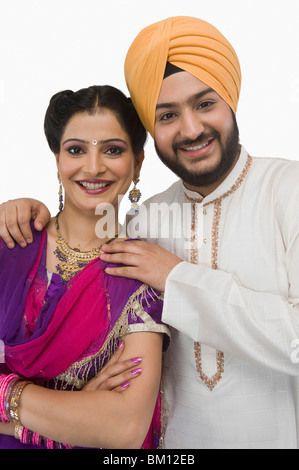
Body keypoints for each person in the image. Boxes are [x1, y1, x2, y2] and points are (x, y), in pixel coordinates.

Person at [1, 15, 299, 449]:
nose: (191, 129)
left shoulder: (288, 192)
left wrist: (177, 279)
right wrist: (23, 210)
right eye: (167, 115)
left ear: (231, 99)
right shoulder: (144, 222)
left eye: (205, 104)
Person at [0, 84, 170, 449]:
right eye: (76, 150)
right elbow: (98, 422)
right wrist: (73, 413)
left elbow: (123, 427)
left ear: (138, 163)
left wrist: (6, 396)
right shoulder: (9, 245)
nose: (93, 167)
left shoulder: (140, 276)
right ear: (58, 160)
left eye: (112, 150)